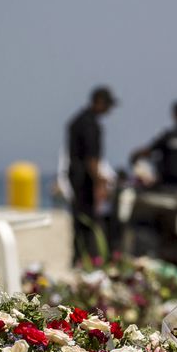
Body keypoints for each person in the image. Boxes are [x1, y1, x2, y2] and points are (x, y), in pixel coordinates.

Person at [66, 86, 116, 266]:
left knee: (79, 221)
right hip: (84, 180)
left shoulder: (77, 120)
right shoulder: (90, 124)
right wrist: (100, 183)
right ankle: (84, 259)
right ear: (100, 102)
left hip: (76, 176)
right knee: (87, 221)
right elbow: (91, 159)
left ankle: (80, 258)